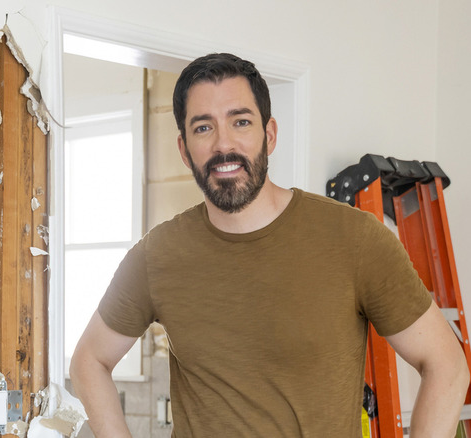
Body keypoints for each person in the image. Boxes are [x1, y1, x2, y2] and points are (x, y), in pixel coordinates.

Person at [69, 53, 469, 437]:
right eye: (203, 127)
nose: (223, 145)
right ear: (184, 149)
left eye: (240, 122)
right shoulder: (157, 254)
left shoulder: (355, 239)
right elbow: (89, 360)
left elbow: (447, 365)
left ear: (269, 134)